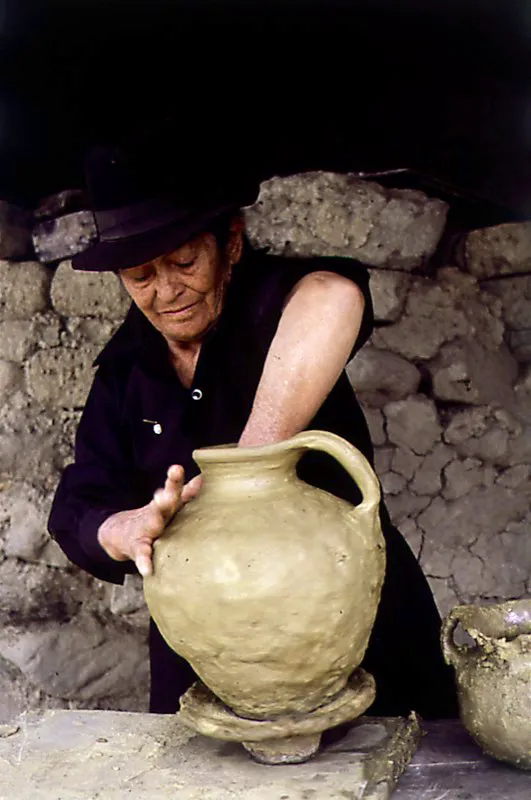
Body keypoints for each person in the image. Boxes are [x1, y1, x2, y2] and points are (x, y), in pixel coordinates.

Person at [48, 143, 457, 719]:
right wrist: (121, 528)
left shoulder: (272, 304)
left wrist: (244, 477)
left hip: (351, 623)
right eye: (140, 275)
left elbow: (335, 296)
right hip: (206, 648)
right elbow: (77, 503)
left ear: (231, 242)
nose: (166, 292)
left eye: (185, 262)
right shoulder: (124, 371)